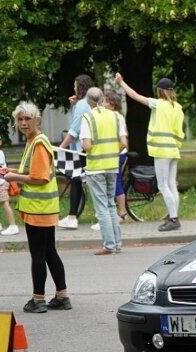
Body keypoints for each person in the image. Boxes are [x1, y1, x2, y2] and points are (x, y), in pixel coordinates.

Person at [3, 101, 70, 313]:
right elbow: (32, 171)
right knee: (49, 252)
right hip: (43, 208)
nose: (23, 123)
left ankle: (38, 299)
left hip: (38, 209)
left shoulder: (38, 143)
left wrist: (14, 176)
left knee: (39, 255)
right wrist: (11, 171)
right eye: (20, 119)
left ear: (36, 120)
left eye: (27, 119)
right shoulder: (34, 141)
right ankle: (62, 296)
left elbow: (39, 178)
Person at [115, 73, 185, 231]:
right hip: (173, 149)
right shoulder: (178, 107)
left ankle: (173, 219)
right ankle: (173, 214)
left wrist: (121, 82)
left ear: (160, 91)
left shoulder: (157, 104)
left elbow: (134, 95)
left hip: (161, 149)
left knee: (162, 185)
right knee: (171, 184)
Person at [80, 87, 124, 255]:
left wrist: (88, 149)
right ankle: (117, 243)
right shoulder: (115, 116)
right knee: (111, 205)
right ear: (102, 99)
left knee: (102, 208)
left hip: (96, 167)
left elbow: (87, 145)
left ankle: (109, 245)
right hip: (112, 165)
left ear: (89, 101)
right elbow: (123, 142)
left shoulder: (88, 117)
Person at [57, 74, 95, 229]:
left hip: (81, 150)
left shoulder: (82, 105)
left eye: (75, 86)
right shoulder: (88, 103)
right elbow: (76, 123)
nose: (73, 88)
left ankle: (74, 217)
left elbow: (74, 130)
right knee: (77, 181)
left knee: (80, 181)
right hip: (87, 148)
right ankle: (72, 216)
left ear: (80, 87)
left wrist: (61, 148)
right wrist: (73, 106)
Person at [103, 90, 129, 222]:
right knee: (113, 182)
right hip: (116, 154)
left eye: (105, 101)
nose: (102, 104)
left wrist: (114, 153)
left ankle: (122, 212)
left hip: (117, 155)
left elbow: (123, 142)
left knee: (115, 183)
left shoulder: (116, 117)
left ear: (113, 104)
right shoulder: (116, 116)